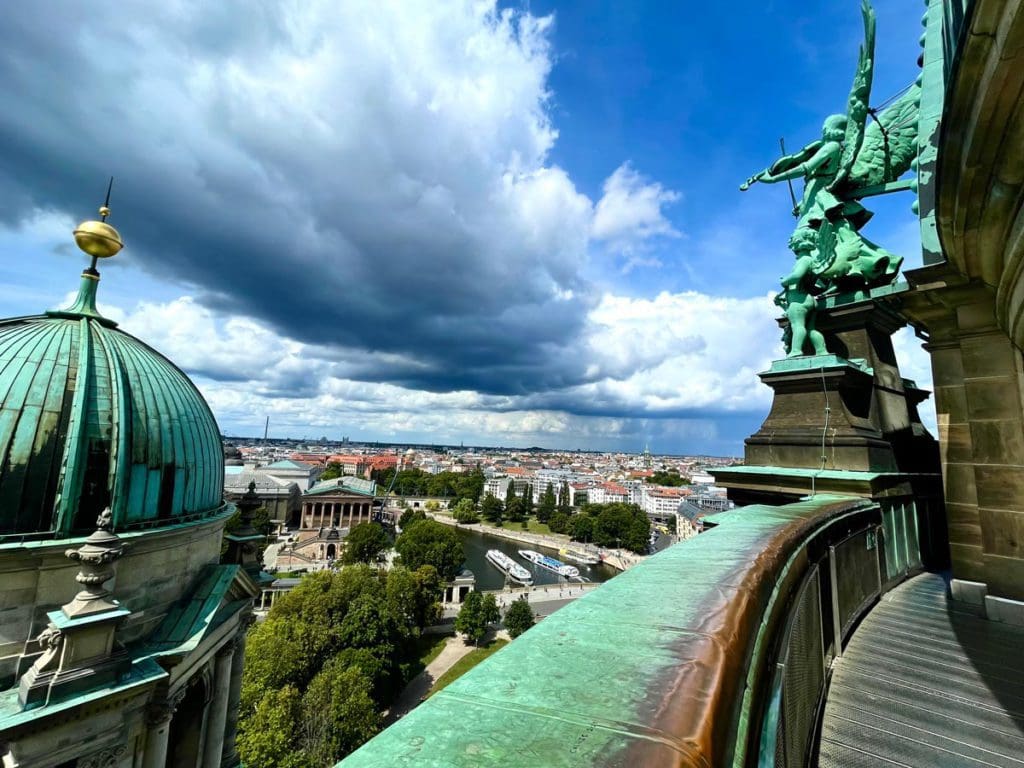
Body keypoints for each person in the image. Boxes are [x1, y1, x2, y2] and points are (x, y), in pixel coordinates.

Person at [776, 228, 828, 357]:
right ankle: (822, 351)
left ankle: (796, 350)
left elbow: (797, 275)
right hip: (809, 299)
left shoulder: (804, 260)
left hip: (799, 301)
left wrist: (785, 281)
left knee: (798, 326)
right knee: (811, 329)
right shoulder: (811, 260)